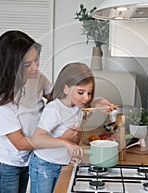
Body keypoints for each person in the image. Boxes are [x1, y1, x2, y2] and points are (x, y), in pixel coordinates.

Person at [0, 30, 115, 193]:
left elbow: (62, 99)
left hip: (26, 161)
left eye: (36, 59)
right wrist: (62, 140)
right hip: (3, 166)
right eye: (28, 64)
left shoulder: (36, 78)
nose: (36, 67)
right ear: (12, 67)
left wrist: (92, 102)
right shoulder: (2, 101)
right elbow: (21, 144)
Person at [27, 62, 112, 193]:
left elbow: (86, 106)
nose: (86, 98)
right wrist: (66, 143)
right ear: (66, 89)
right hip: (44, 165)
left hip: (64, 163)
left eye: (89, 93)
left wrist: (97, 103)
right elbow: (36, 140)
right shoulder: (54, 109)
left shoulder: (78, 106)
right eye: (81, 92)